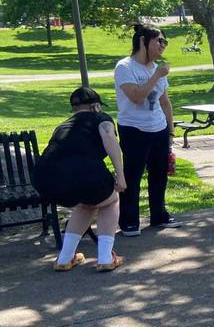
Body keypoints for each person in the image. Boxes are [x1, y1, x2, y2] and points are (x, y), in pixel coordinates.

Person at [34, 87, 126, 271]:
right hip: (83, 173)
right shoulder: (101, 118)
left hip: (44, 178)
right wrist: (120, 175)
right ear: (96, 106)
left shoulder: (63, 126)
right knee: (111, 200)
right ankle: (106, 257)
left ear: (73, 109)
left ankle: (65, 258)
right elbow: (108, 136)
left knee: (87, 203)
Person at [114, 23, 177, 236]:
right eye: (159, 40)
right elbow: (136, 96)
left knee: (159, 174)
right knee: (132, 176)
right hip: (133, 129)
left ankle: (159, 215)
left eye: (164, 42)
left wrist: (170, 131)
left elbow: (165, 102)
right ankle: (129, 221)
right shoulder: (125, 67)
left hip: (158, 128)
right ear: (143, 41)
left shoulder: (156, 69)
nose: (163, 46)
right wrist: (156, 75)